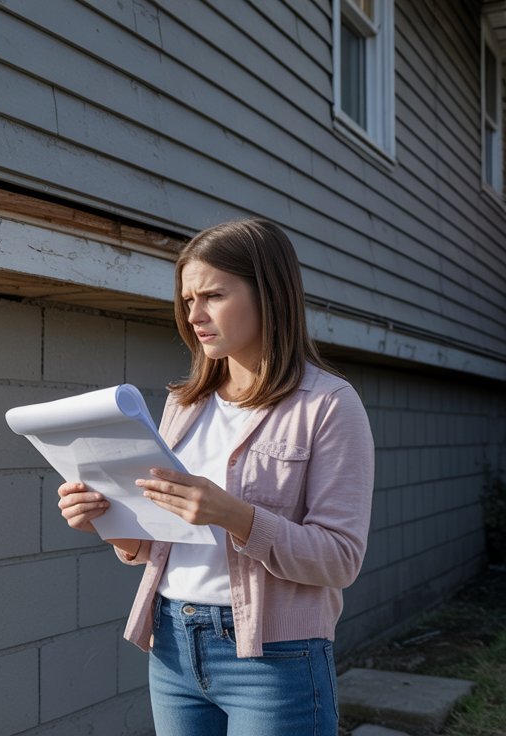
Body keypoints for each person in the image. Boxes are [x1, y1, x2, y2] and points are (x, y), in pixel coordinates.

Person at [56, 218, 373, 736]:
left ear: (269, 294)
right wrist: (107, 520)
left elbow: (340, 558)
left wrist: (235, 515)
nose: (194, 315)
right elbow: (159, 541)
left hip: (276, 660)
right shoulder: (184, 404)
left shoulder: (329, 406)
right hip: (173, 643)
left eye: (213, 296)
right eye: (186, 300)